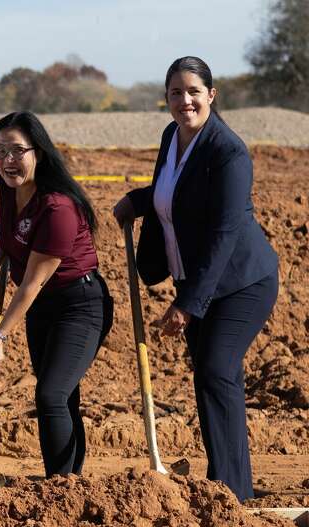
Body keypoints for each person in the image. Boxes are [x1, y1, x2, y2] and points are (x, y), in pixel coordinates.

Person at [113, 56, 278, 502]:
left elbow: (224, 234)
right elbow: (175, 189)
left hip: (242, 282)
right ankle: (234, 488)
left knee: (213, 370)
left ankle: (227, 493)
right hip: (200, 278)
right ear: (166, 98)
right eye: (174, 93)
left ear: (211, 95)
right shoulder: (172, 136)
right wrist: (137, 200)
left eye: (192, 92)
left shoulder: (229, 152)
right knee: (217, 379)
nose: (184, 101)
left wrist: (187, 305)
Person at [0, 111, 112, 479]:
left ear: (39, 151)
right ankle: (70, 480)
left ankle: (59, 484)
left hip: (79, 305)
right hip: (43, 309)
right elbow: (19, 243)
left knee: (51, 396)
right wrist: (8, 249)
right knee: (63, 397)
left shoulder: (58, 207)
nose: (7, 160)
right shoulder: (10, 192)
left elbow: (32, 284)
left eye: (17, 150)